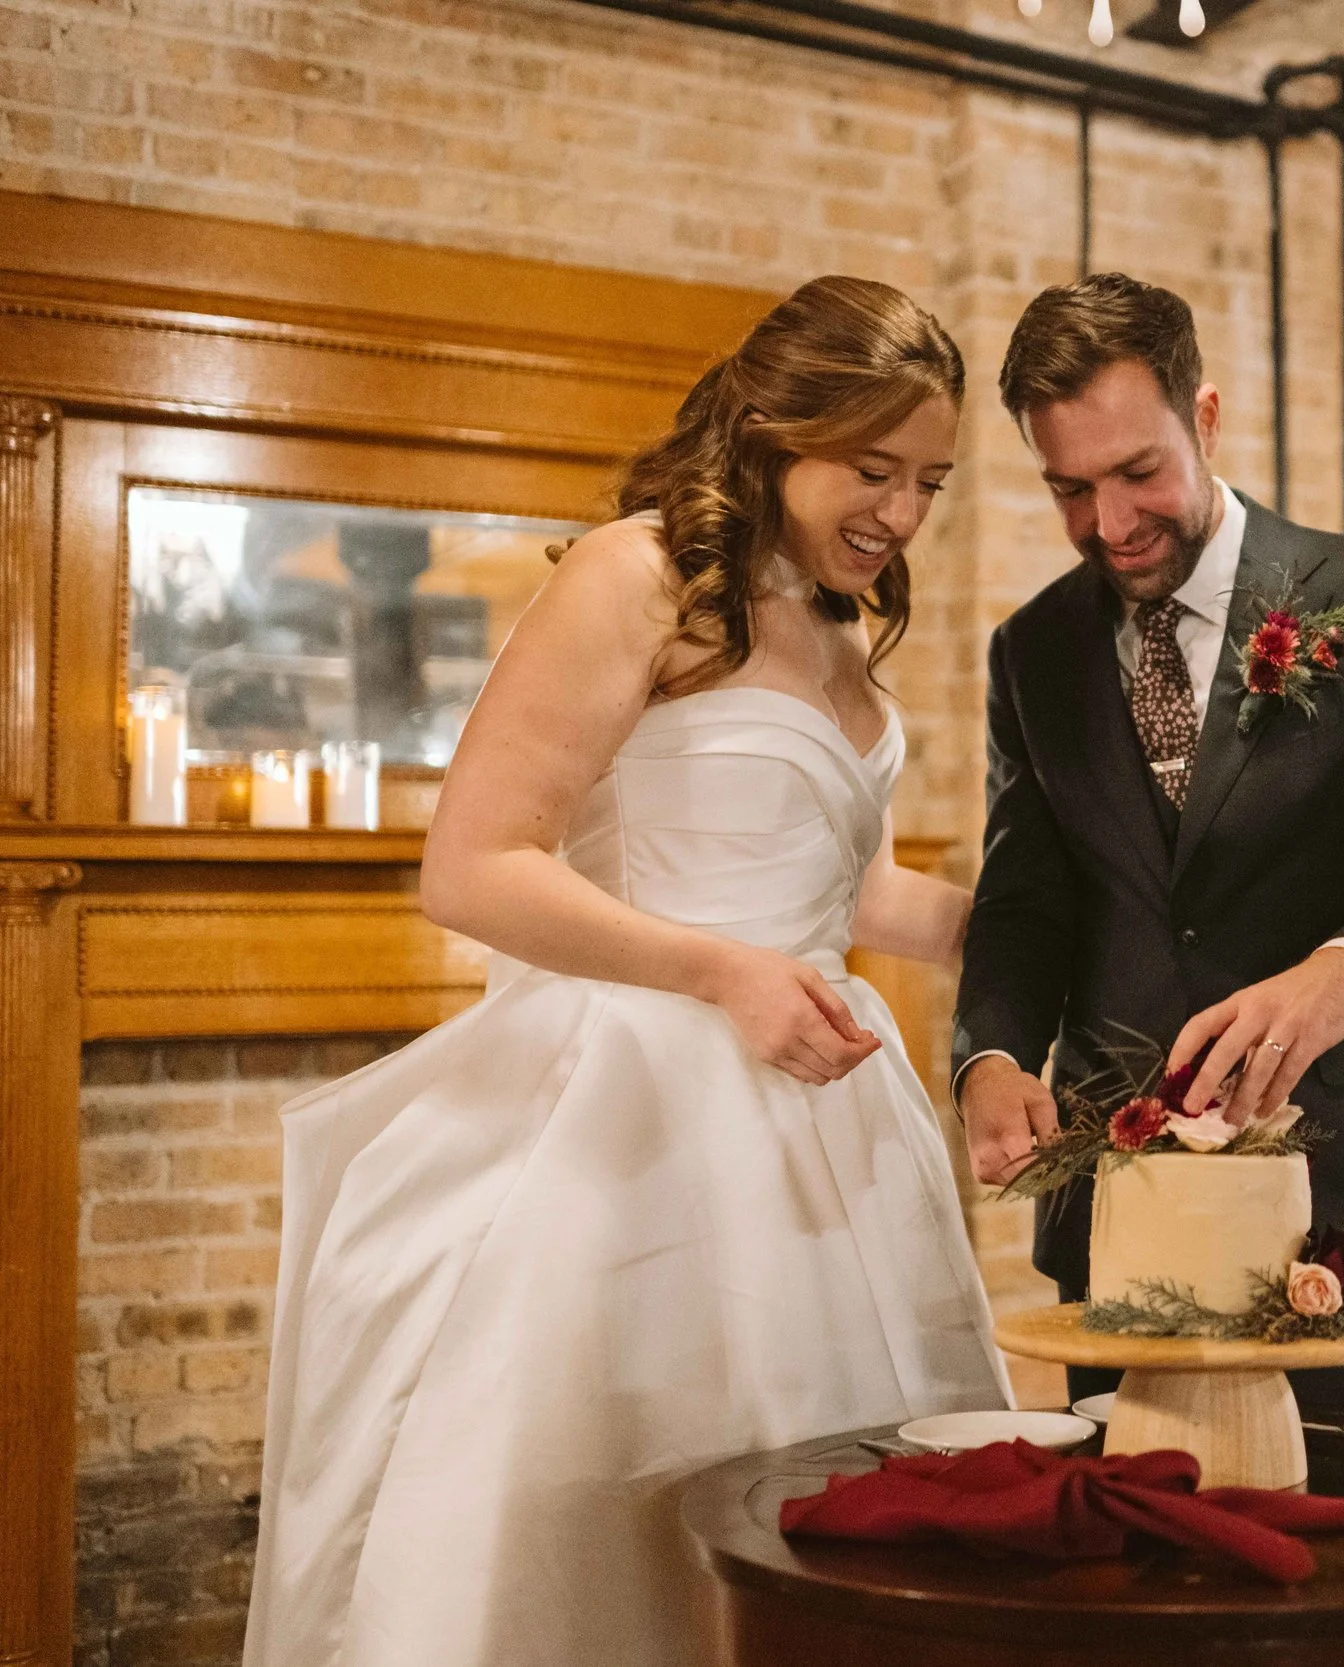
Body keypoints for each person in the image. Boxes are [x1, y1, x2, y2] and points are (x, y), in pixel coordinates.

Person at [242, 277, 1009, 1667]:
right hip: (643, 1110)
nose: (902, 513)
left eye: (930, 481)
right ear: (774, 430)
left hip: (830, 1115)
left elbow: (846, 889)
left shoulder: (839, 622)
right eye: (872, 468)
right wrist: (722, 975)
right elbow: (473, 864)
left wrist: (1042, 930)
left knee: (833, 1508)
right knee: (632, 1516)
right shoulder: (634, 573)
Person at [953, 273, 1344, 1414]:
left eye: (1139, 472)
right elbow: (1025, 901)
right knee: (1140, 1527)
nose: (1110, 523)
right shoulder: (1033, 651)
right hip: (1123, 1218)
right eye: (1069, 488)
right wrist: (991, 1057)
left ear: (1204, 418)